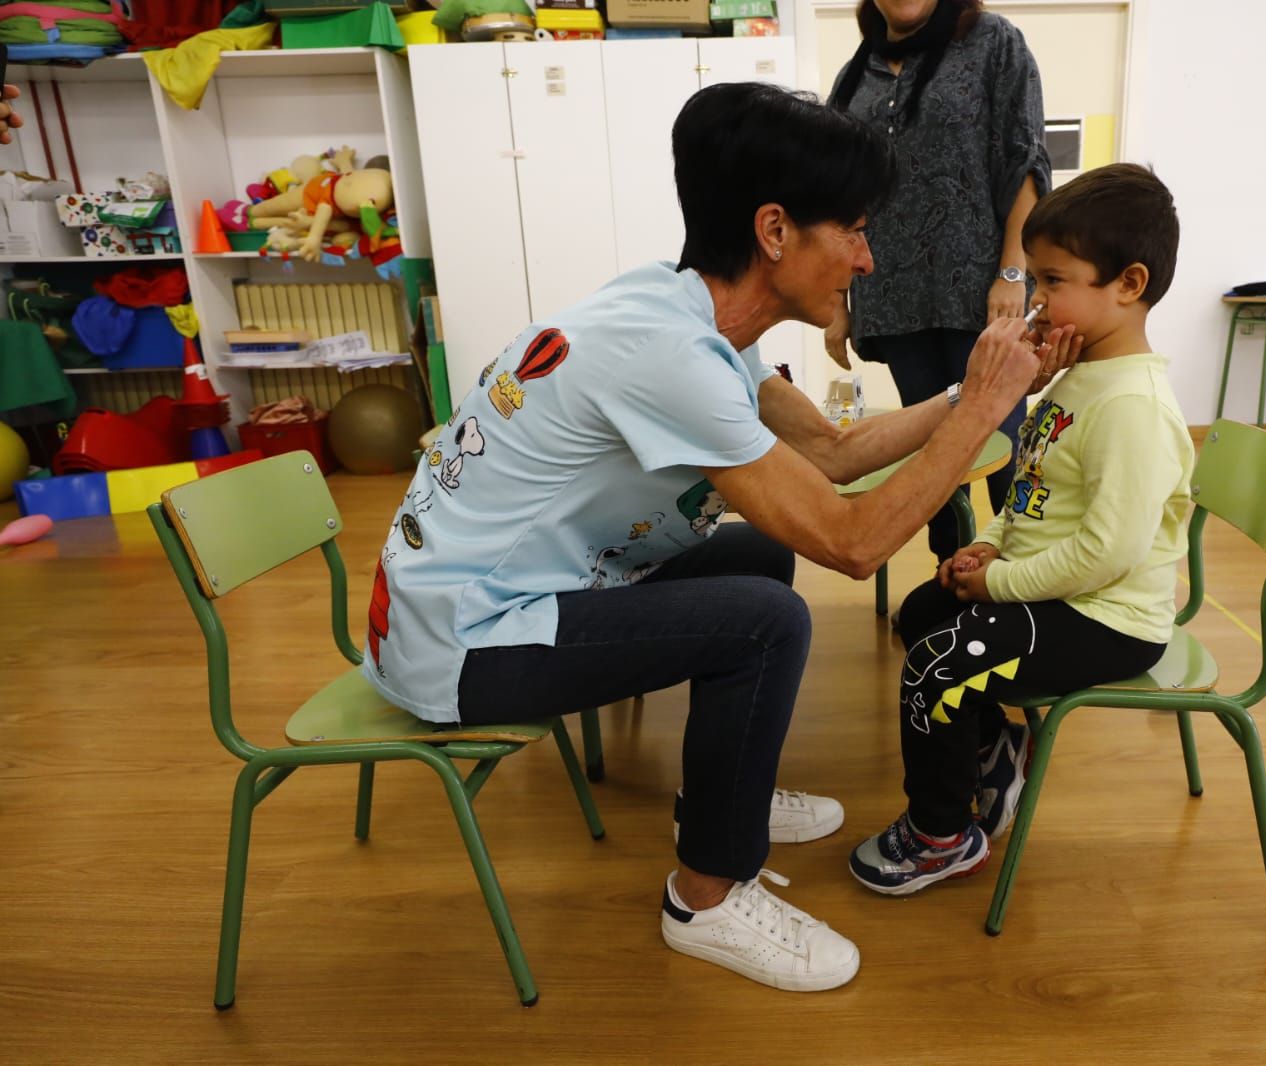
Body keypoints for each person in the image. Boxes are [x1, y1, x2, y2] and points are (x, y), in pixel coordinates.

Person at [363, 83, 1069, 992]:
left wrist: (977, 389)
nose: (866, 258)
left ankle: (720, 794)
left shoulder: (683, 312)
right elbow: (852, 543)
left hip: (472, 597)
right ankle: (705, 897)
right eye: (853, 231)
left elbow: (832, 453)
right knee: (765, 622)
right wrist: (980, 411)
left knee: (758, 557)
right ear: (774, 231)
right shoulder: (666, 355)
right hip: (457, 641)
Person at [848, 163, 1196, 895]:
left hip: (1106, 618)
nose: (1036, 299)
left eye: (1053, 281)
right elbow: (1031, 486)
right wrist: (991, 544)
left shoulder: (1132, 406)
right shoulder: (1075, 379)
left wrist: (998, 583)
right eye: (1036, 279)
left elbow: (1108, 553)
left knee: (939, 665)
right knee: (922, 614)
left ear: (1128, 284)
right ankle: (990, 752)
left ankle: (940, 837)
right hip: (1058, 592)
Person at [825, 0, 1050, 563]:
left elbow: (1024, 160)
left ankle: (1023, 580)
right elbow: (834, 196)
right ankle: (949, 578)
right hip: (891, 298)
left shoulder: (993, 42)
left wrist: (1013, 272)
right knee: (932, 455)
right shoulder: (858, 71)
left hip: (981, 292)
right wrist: (835, 301)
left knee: (1002, 446)